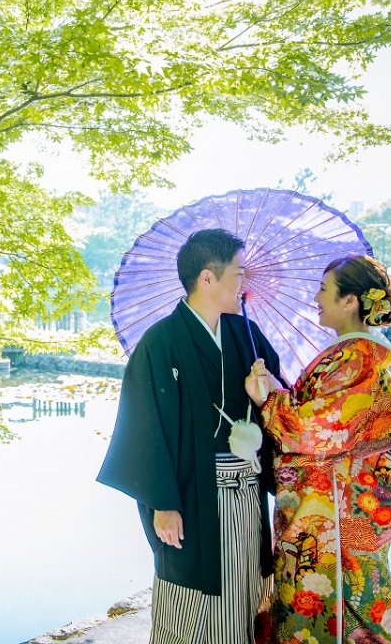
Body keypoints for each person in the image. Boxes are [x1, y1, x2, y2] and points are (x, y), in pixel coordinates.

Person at [98, 228, 283, 644]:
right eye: (238, 273)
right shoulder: (161, 343)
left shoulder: (246, 335)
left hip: (247, 492)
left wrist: (265, 393)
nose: (244, 283)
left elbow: (282, 405)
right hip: (190, 497)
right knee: (187, 606)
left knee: (243, 593)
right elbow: (142, 426)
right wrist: (162, 503)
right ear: (207, 278)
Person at [245, 254, 391, 644]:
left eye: (324, 289)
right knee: (354, 607)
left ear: (350, 302)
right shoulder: (353, 356)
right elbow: (327, 415)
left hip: (337, 514)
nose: (315, 298)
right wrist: (277, 388)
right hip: (345, 505)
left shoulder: (355, 359)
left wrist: (268, 402)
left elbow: (315, 430)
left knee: (341, 608)